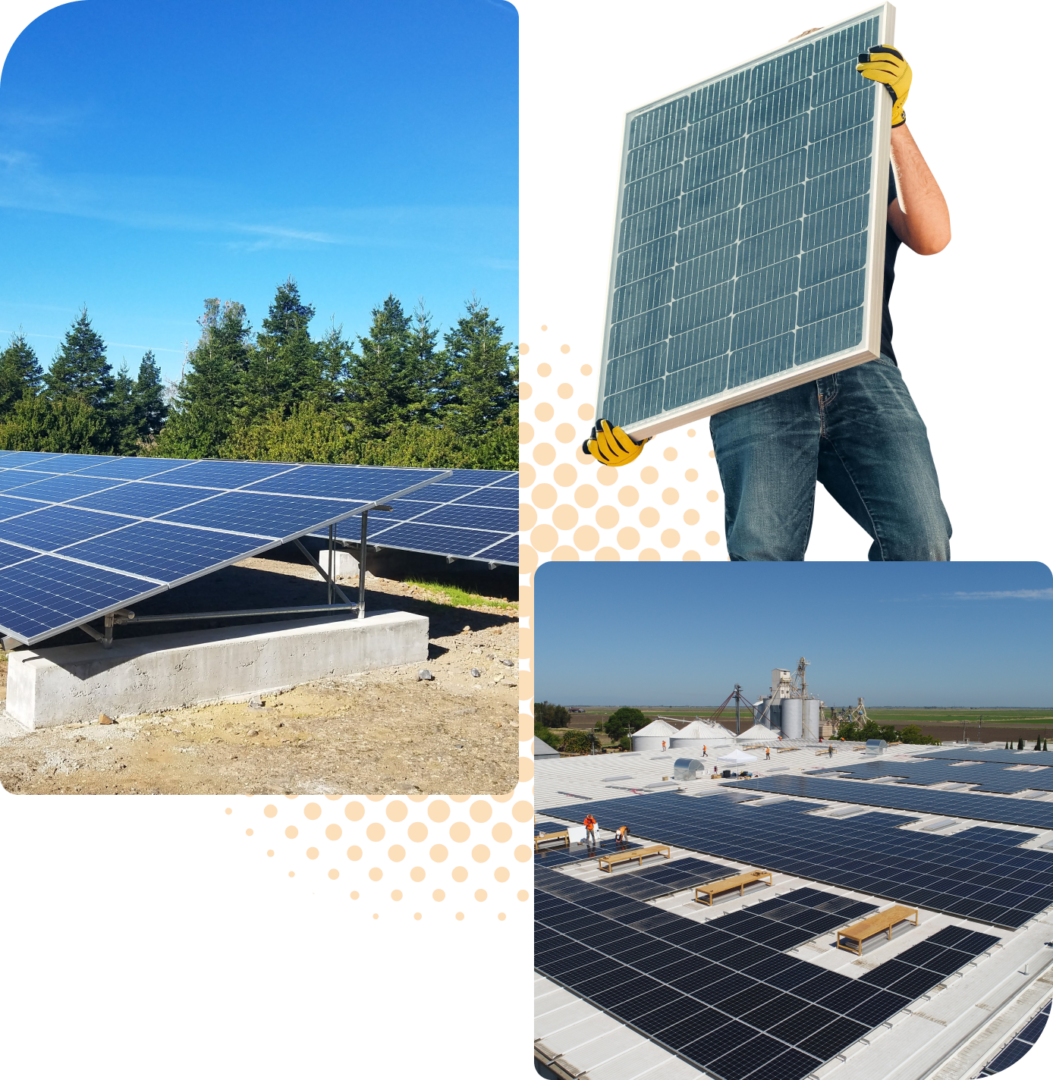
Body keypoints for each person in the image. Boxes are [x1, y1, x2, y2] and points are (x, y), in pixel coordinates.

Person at [583, 35, 956, 562]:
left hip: (864, 367)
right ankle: (770, 647)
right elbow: (659, 302)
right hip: (752, 381)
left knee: (923, 539)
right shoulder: (712, 198)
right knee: (762, 552)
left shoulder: (856, 172)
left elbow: (934, 235)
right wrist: (632, 418)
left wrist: (895, 125)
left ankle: (910, 643)